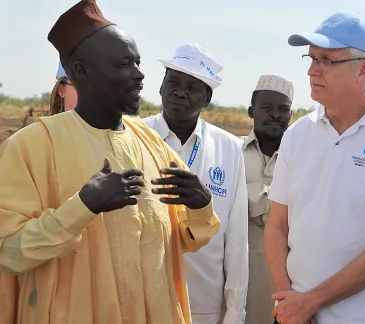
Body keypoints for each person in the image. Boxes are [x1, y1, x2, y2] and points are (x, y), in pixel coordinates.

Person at [0, 1, 220, 323]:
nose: (140, 75)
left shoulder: (153, 146)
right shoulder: (31, 147)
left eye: (138, 63)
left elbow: (181, 242)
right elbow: (8, 252)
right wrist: (82, 207)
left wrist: (202, 206)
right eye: (124, 64)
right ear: (80, 72)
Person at [264, 11, 365, 324]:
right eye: (311, 59)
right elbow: (277, 226)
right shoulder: (298, 134)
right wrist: (289, 303)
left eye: (326, 60)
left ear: (364, 69)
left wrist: (310, 302)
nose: (312, 70)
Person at [144, 44, 248, 324]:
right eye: (173, 82)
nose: (180, 92)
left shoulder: (228, 147)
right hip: (142, 303)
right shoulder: (134, 136)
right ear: (161, 87)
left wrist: (234, 312)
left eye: (193, 87)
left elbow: (236, 240)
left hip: (204, 307)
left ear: (207, 98)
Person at [241, 74, 293, 324]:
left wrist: (250, 194)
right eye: (267, 108)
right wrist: (279, 202)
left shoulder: (301, 157)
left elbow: (303, 207)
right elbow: (225, 199)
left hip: (287, 274)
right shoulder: (232, 151)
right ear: (252, 111)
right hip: (241, 269)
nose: (275, 115)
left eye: (283, 109)